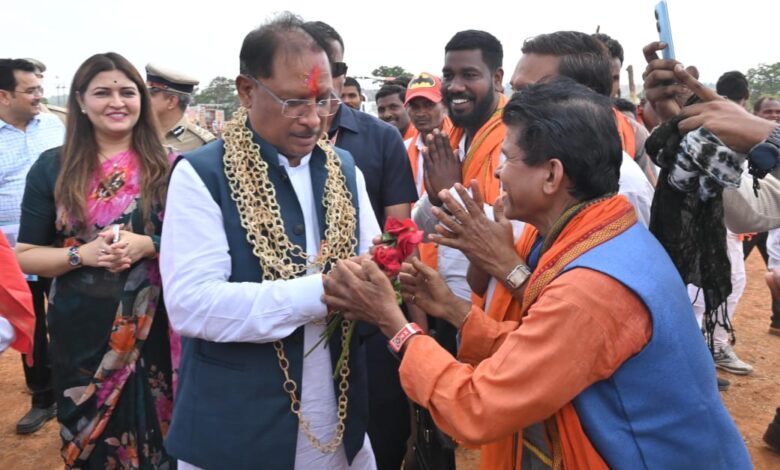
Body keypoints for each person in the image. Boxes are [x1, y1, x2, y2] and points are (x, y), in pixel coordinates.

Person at [322, 78, 752, 469]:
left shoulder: (591, 287)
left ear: (551, 174)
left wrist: (393, 324)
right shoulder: (601, 235)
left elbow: (477, 407)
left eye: (507, 158)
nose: (497, 171)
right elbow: (549, 349)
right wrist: (453, 308)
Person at [160, 13, 380, 469]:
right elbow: (190, 304)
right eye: (294, 101)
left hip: (337, 421)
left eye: (323, 100)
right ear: (247, 91)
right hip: (239, 428)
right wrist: (324, 290)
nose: (312, 119)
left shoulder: (344, 169)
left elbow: (373, 262)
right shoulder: (202, 175)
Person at [15, 52, 174, 468]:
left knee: (162, 441)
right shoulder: (53, 168)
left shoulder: (172, 167)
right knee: (91, 448)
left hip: (156, 328)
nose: (117, 102)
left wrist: (149, 245)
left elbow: (203, 248)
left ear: (141, 100)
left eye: (128, 92)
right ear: (81, 101)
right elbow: (26, 256)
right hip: (80, 332)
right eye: (102, 92)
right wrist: (80, 254)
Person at [302, 20, 419, 470]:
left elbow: (397, 231)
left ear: (342, 72)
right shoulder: (262, 147)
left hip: (369, 319)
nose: (319, 78)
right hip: (297, 327)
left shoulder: (380, 137)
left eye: (330, 67)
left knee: (380, 434)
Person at [509, 30, 654, 227]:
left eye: (527, 92)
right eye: (514, 90)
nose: (513, 105)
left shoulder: (626, 188)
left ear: (582, 100)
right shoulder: (522, 164)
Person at [0, 58, 64, 435]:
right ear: (4, 96)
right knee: (29, 322)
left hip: (59, 247)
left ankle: (77, 389)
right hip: (10, 256)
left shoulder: (54, 127)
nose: (39, 96)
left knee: (69, 315)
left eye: (40, 89)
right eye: (31, 90)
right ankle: (42, 397)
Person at [145, 63, 215, 152]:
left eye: (150, 95)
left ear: (171, 101)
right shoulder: (137, 133)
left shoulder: (203, 143)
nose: (143, 100)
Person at [404, 72, 453, 197]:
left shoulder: (460, 146)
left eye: (429, 105)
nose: (421, 113)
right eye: (415, 106)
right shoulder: (403, 149)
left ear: (445, 106)